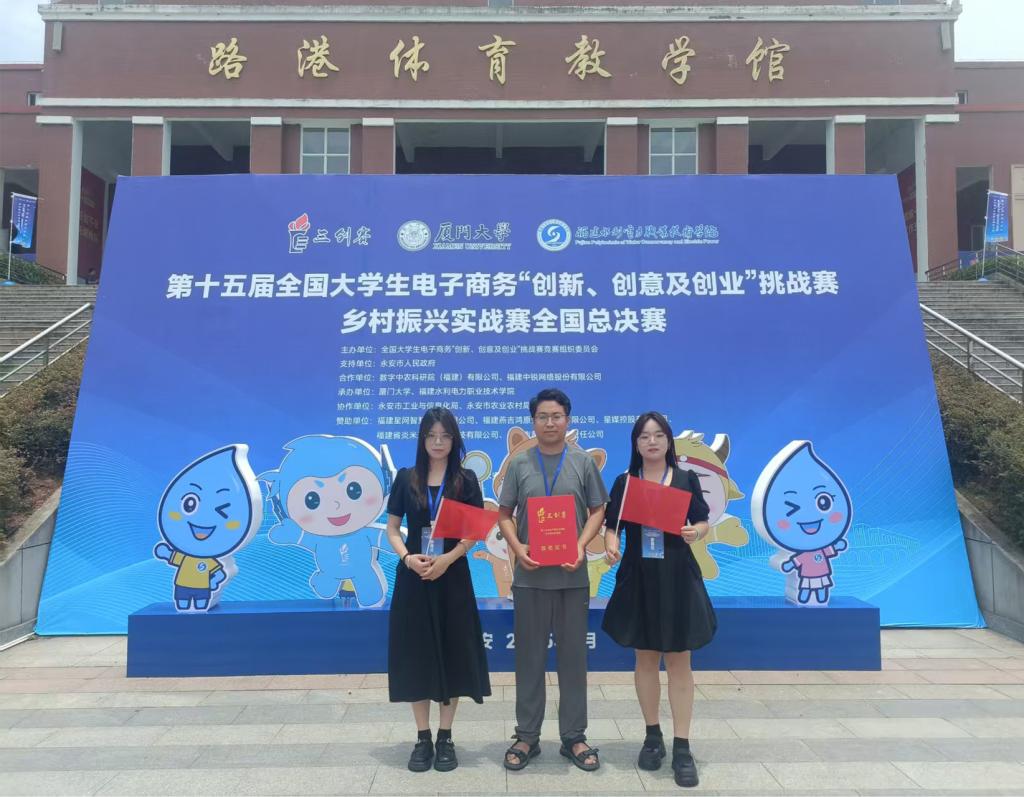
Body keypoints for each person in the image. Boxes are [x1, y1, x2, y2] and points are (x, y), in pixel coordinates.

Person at [602, 411, 715, 788]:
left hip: (677, 577)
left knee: (680, 661)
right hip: (640, 578)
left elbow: (702, 520)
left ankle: (682, 747)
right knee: (646, 658)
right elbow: (612, 527)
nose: (651, 442)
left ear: (668, 441)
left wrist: (696, 532)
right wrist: (611, 546)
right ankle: (653, 737)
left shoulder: (685, 479)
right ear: (635, 444)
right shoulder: (625, 482)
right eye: (644, 437)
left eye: (658, 435)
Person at [498, 388, 608, 772]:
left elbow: (598, 510)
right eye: (542, 417)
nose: (549, 423)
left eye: (556, 416)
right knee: (528, 659)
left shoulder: (582, 462)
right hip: (529, 578)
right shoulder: (519, 464)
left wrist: (580, 544)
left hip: (572, 576)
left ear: (568, 420)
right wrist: (518, 547)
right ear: (533, 421)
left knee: (573, 660)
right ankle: (527, 736)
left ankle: (574, 736)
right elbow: (504, 514)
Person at [385, 407, 492, 773]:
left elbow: (474, 532)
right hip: (414, 578)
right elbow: (392, 529)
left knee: (452, 651)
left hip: (452, 578)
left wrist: (449, 558)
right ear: (422, 439)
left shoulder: (465, 480)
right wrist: (407, 558)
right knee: (416, 654)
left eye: (445, 436)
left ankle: (446, 737)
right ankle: (423, 737)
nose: (438, 442)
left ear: (454, 439)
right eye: (431, 435)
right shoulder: (406, 478)